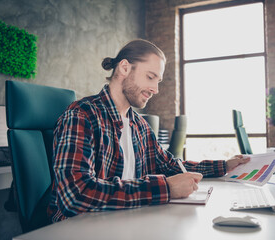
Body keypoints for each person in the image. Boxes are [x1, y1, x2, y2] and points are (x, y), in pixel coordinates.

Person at [47, 39, 250, 222]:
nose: (156, 89)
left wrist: (224, 165)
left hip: (124, 222)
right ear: (124, 68)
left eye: (158, 81)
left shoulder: (139, 125)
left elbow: (171, 166)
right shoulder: (82, 115)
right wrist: (166, 188)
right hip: (79, 228)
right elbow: (75, 194)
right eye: (151, 77)